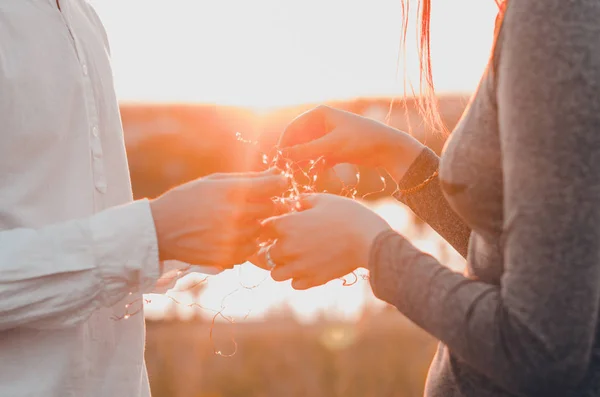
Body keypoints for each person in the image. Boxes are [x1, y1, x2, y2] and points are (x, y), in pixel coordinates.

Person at [255, 0, 600, 396]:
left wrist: (371, 248)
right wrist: (397, 157)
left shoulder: (557, 16)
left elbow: (541, 355)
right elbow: (537, 265)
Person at [0, 1, 287, 396]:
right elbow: (120, 244)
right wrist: (153, 232)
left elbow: (88, 238)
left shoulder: (84, 17)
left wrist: (217, 231)